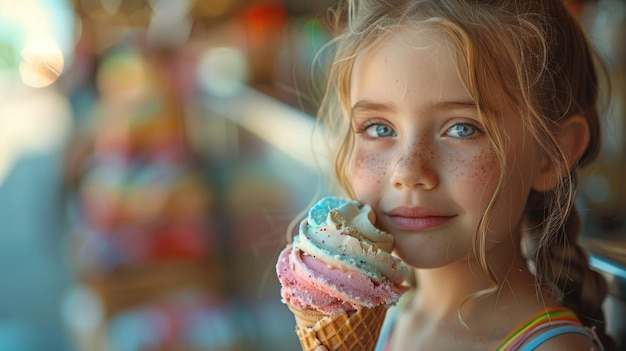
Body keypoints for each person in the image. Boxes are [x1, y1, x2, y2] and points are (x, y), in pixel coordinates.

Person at [308, 0, 616, 350]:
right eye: (379, 128)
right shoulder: (388, 315)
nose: (407, 171)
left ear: (551, 154)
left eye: (462, 129)